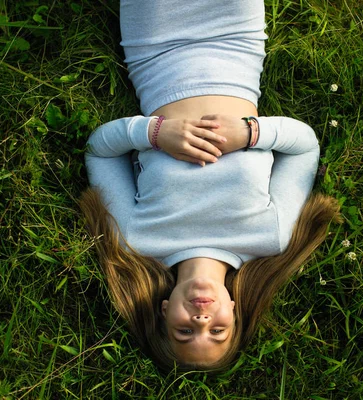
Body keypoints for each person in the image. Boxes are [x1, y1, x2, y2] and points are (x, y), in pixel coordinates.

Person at [79, 0, 341, 370]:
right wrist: (250, 132)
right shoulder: (271, 236)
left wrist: (155, 133)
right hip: (236, 38)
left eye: (184, 333)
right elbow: (304, 147)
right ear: (234, 311)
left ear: (165, 312)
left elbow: (98, 151)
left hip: (156, 45)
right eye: (218, 332)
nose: (201, 322)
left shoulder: (135, 239)